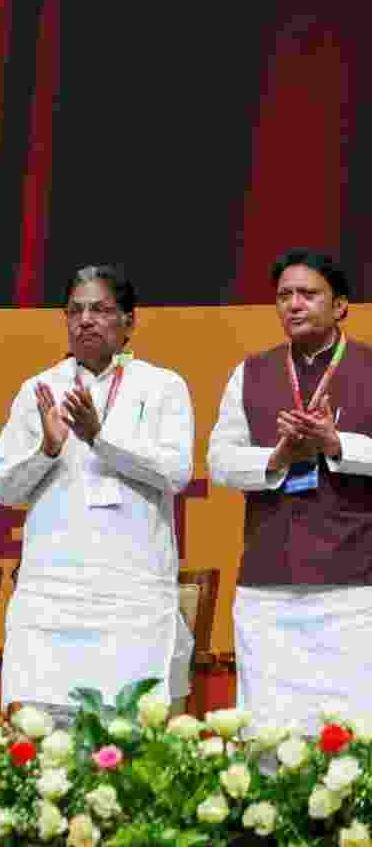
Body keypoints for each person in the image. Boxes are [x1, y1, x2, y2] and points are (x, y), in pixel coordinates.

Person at [0, 266, 194, 722]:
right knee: (44, 736)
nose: (85, 320)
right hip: (52, 594)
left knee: (126, 735)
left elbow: (176, 472)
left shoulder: (162, 387)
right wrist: (46, 449)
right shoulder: (39, 390)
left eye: (99, 309)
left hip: (131, 595)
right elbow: (3, 487)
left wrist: (100, 437)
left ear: (128, 321)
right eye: (75, 311)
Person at [208, 250, 372, 728]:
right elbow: (219, 461)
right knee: (268, 725)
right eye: (284, 296)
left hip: (355, 582)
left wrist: (336, 443)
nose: (294, 305)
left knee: (354, 728)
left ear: (340, 305)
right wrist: (277, 458)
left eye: (308, 294)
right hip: (268, 582)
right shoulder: (252, 372)